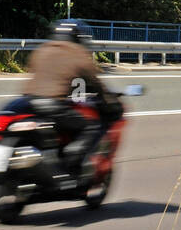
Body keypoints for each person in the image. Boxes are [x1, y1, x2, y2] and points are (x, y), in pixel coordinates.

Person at [24, 20, 117, 180]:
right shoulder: (78, 54)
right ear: (79, 38)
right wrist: (110, 103)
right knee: (91, 126)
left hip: (28, 102)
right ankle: (70, 161)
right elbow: (95, 84)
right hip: (54, 104)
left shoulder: (42, 50)